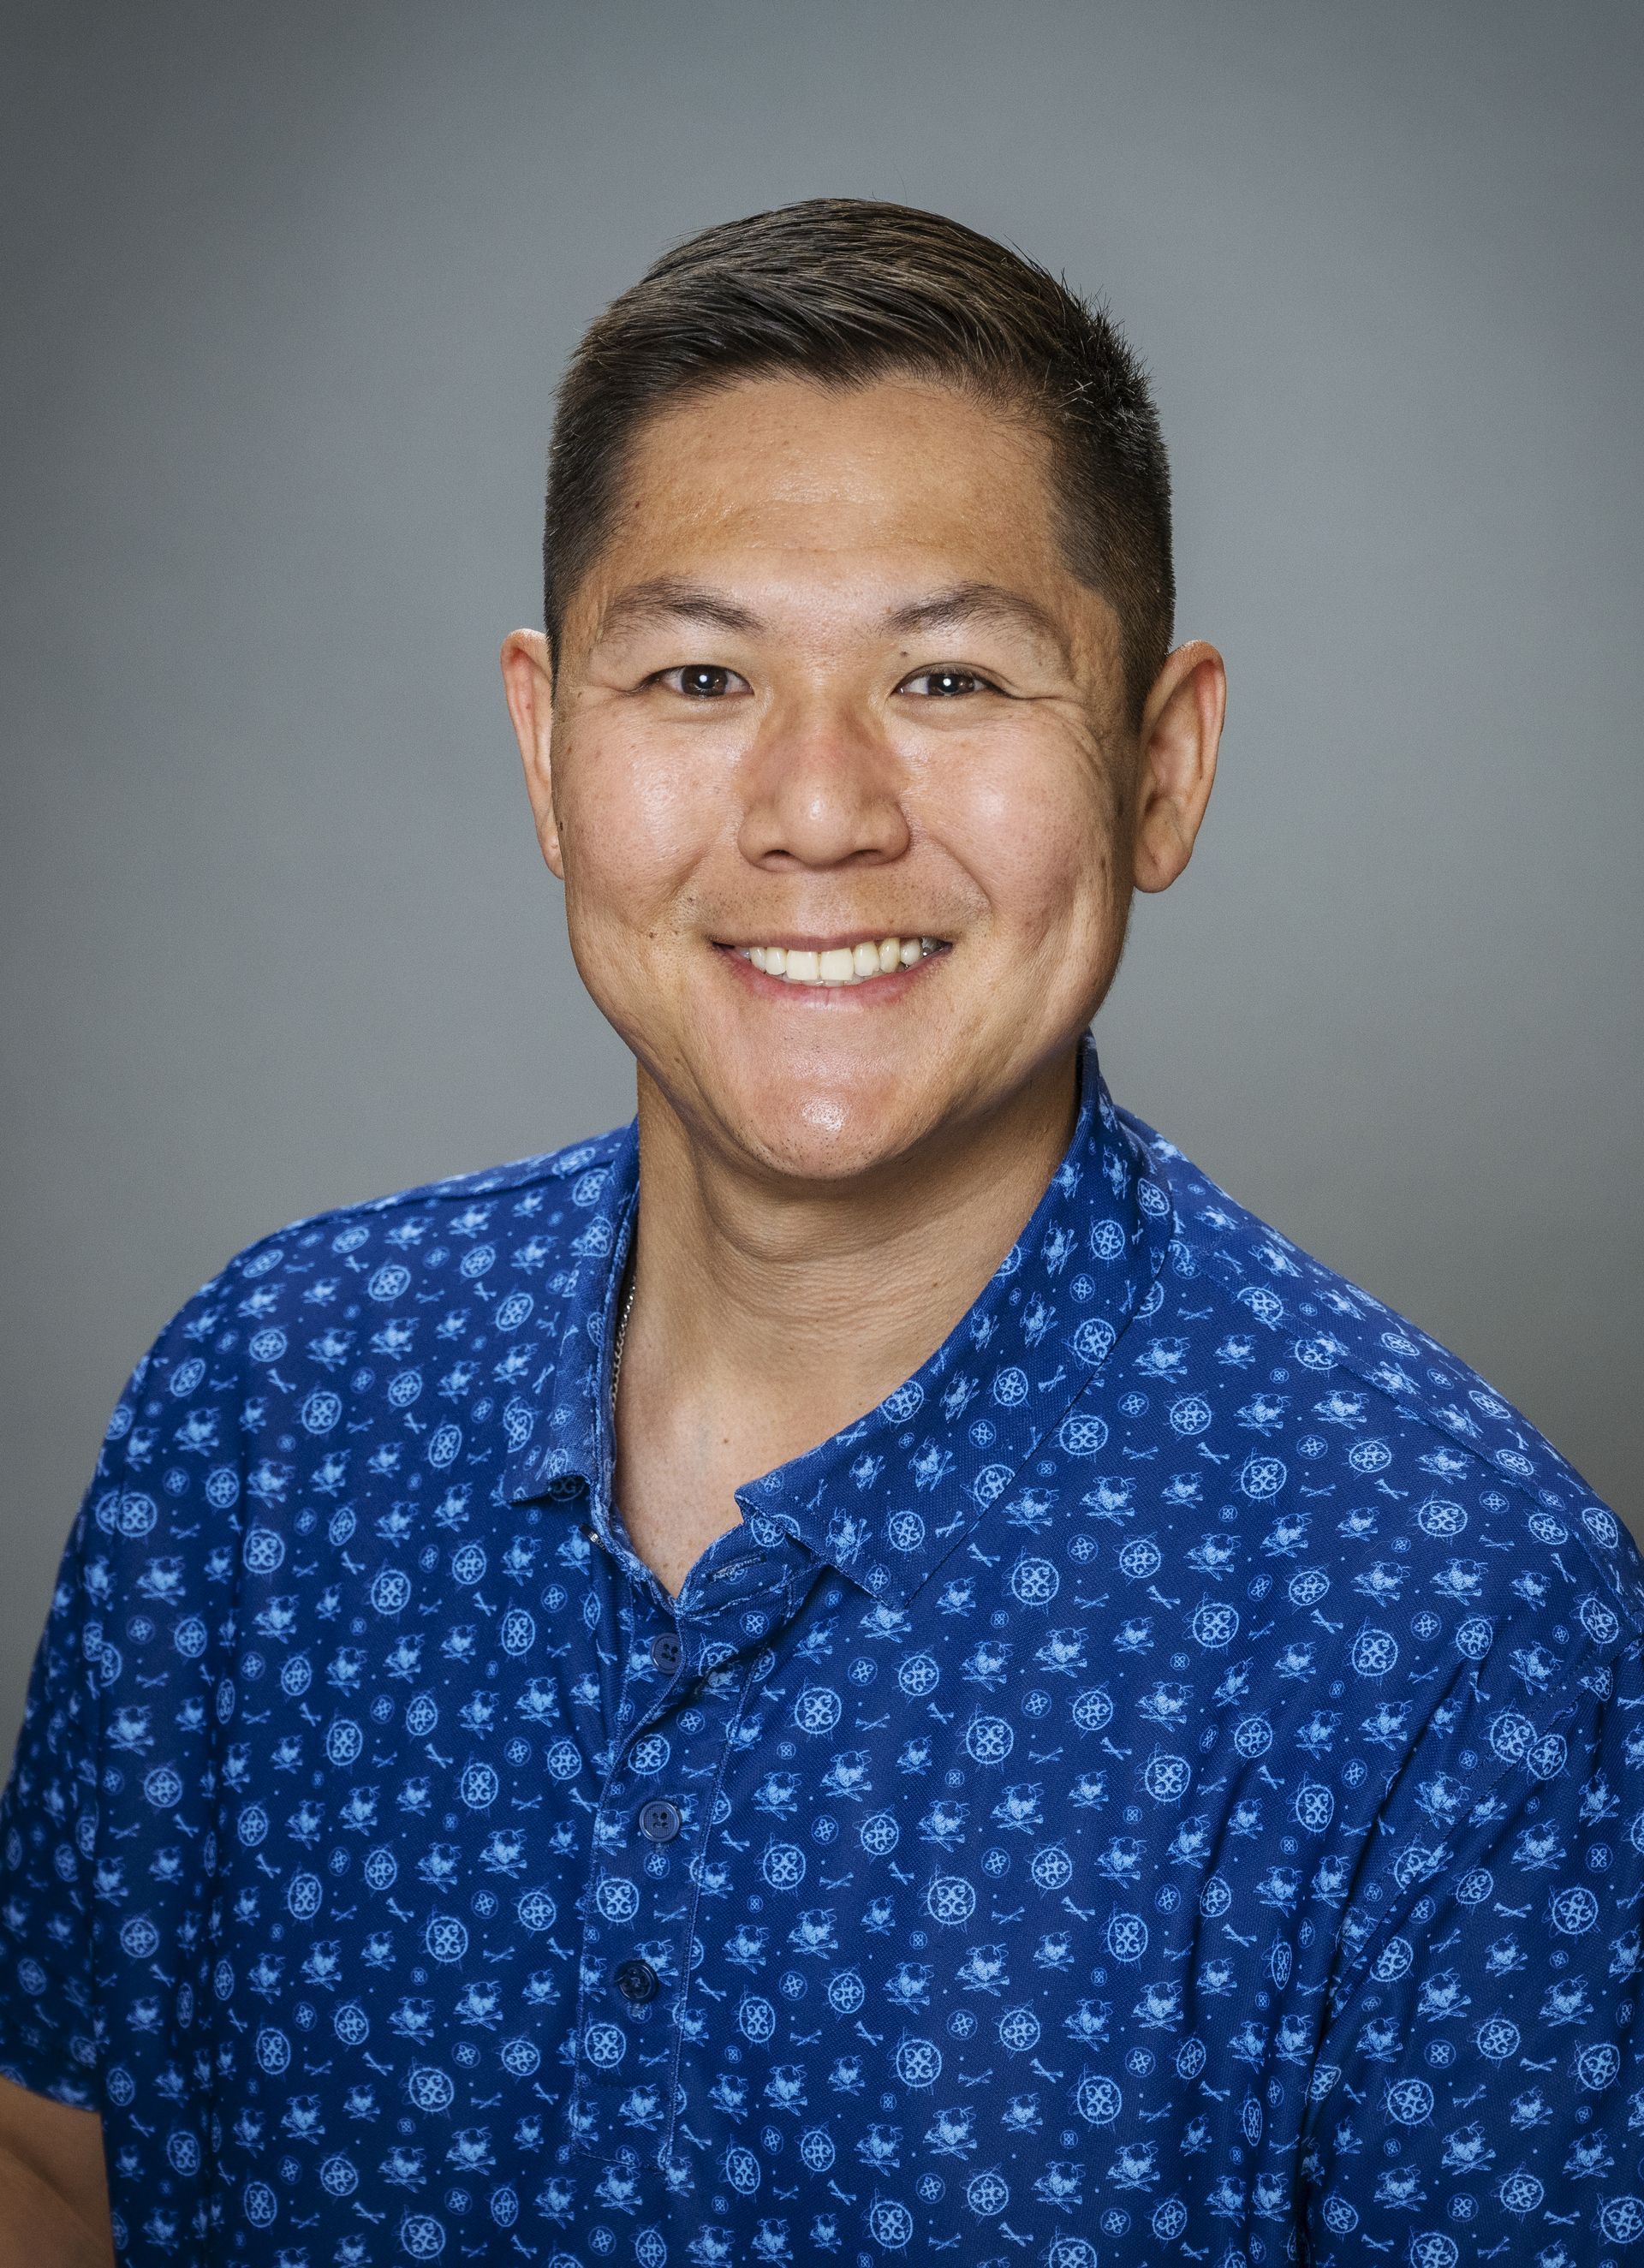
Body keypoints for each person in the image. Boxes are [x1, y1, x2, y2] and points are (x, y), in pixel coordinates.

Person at [1, 197, 1639, 2268]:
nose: (818, 804)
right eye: (700, 673)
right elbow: (57, 2172)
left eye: (947, 675)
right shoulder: (265, 1410)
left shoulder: (1459, 1622)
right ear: (545, 745)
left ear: (1160, 760)